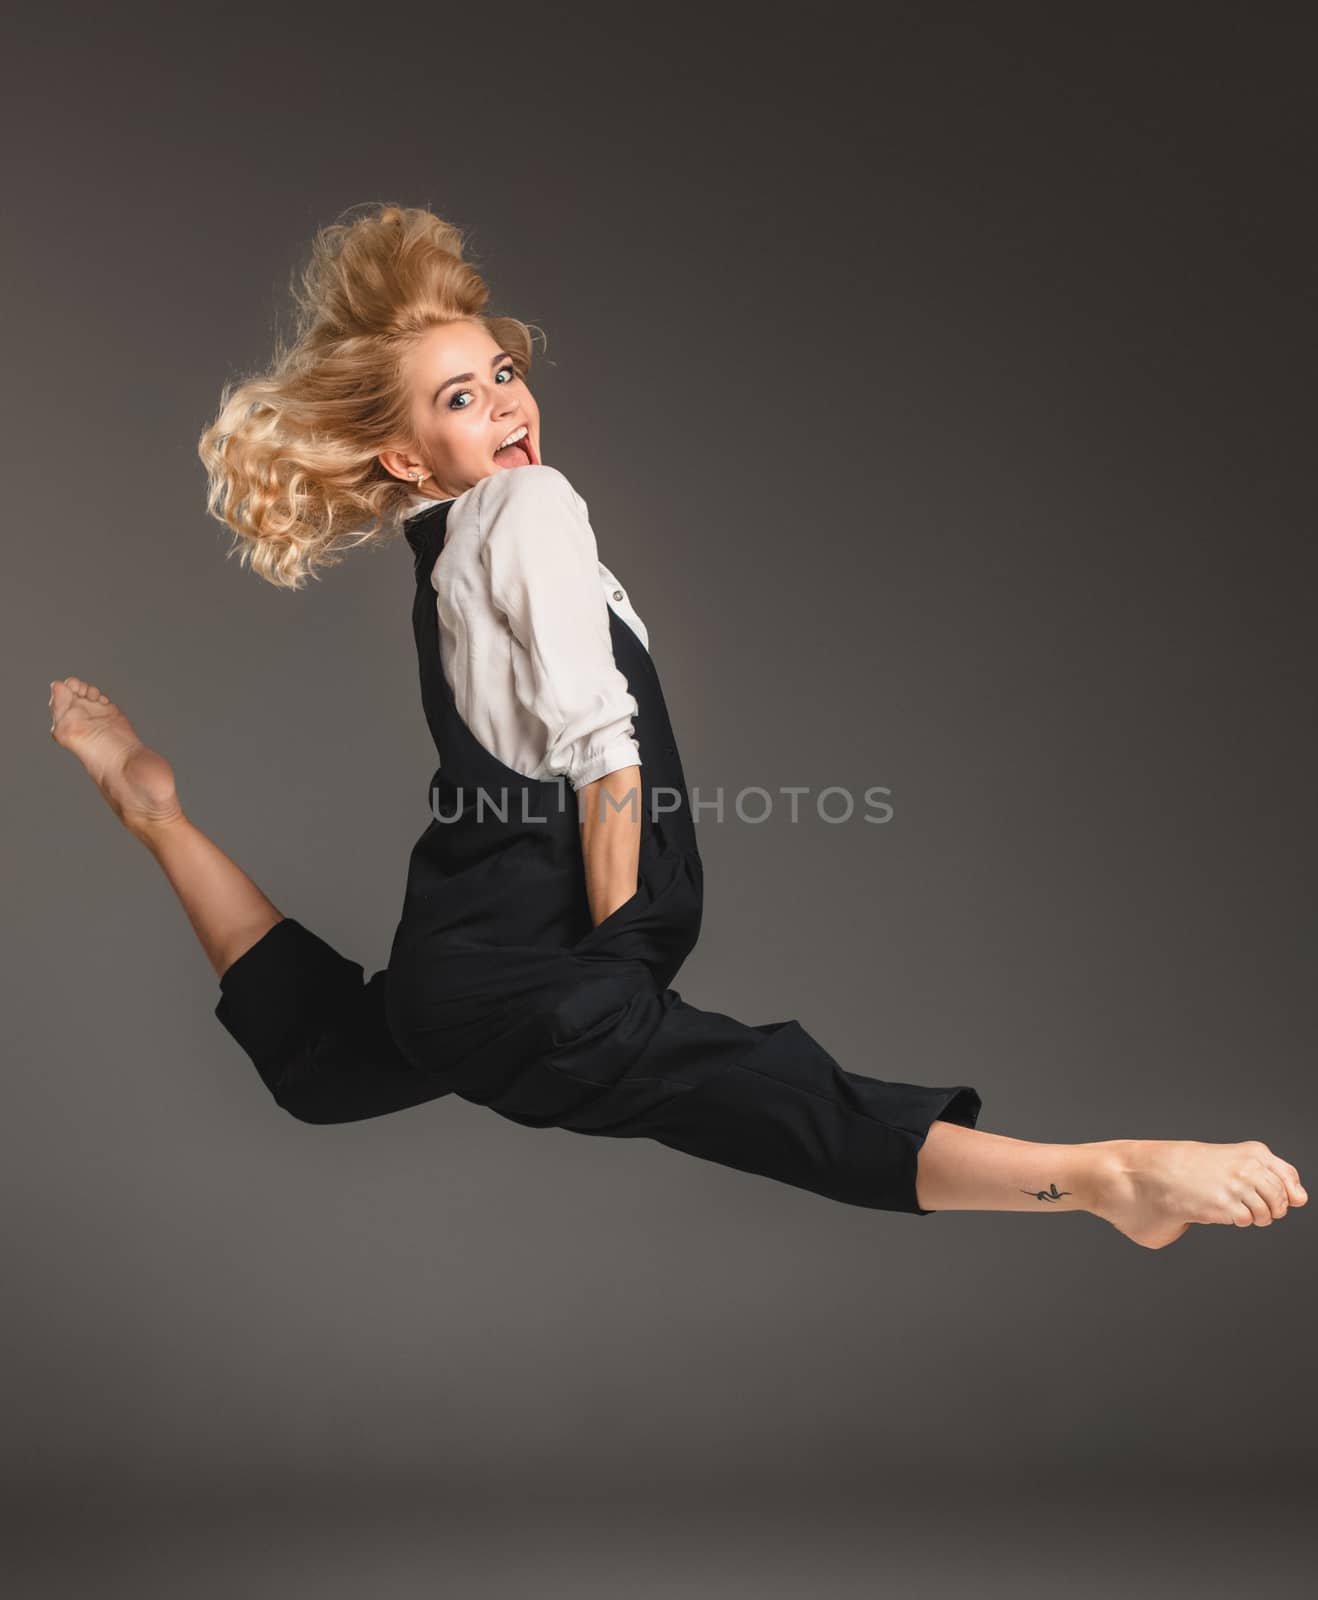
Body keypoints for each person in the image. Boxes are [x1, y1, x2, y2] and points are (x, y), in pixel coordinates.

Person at [49, 203, 1305, 1250]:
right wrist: (622, 948)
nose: (502, 404)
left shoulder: (454, 545)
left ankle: (153, 813)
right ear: (404, 458)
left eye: (502, 373)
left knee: (329, 1066)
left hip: (468, 968)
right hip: (532, 972)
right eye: (458, 398)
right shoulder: (526, 506)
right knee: (771, 1095)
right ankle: (1102, 1176)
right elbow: (604, 744)